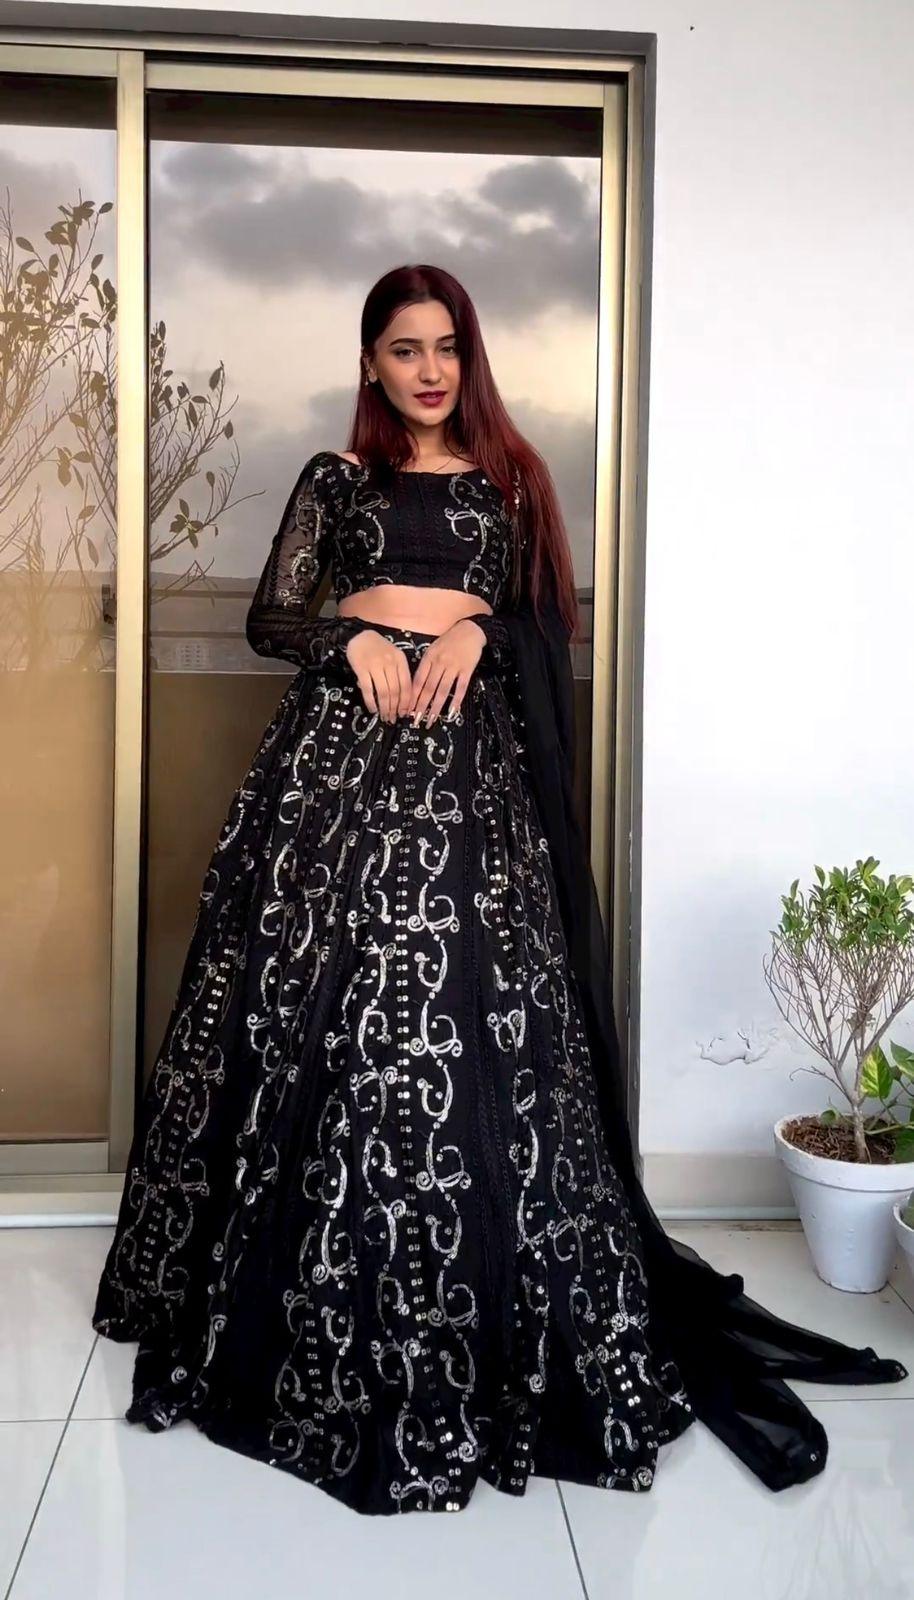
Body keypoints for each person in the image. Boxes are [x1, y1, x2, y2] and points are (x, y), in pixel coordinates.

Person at [92, 263, 907, 1517]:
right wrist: (350, 637)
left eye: (446, 348)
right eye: (402, 349)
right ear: (369, 363)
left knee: (468, 1026)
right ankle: (320, 1289)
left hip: (469, 777)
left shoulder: (509, 482)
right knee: (330, 1016)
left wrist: (481, 630)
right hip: (339, 771)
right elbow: (270, 617)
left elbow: (538, 617)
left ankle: (463, 1291)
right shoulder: (337, 479)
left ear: (466, 358)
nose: (428, 370)